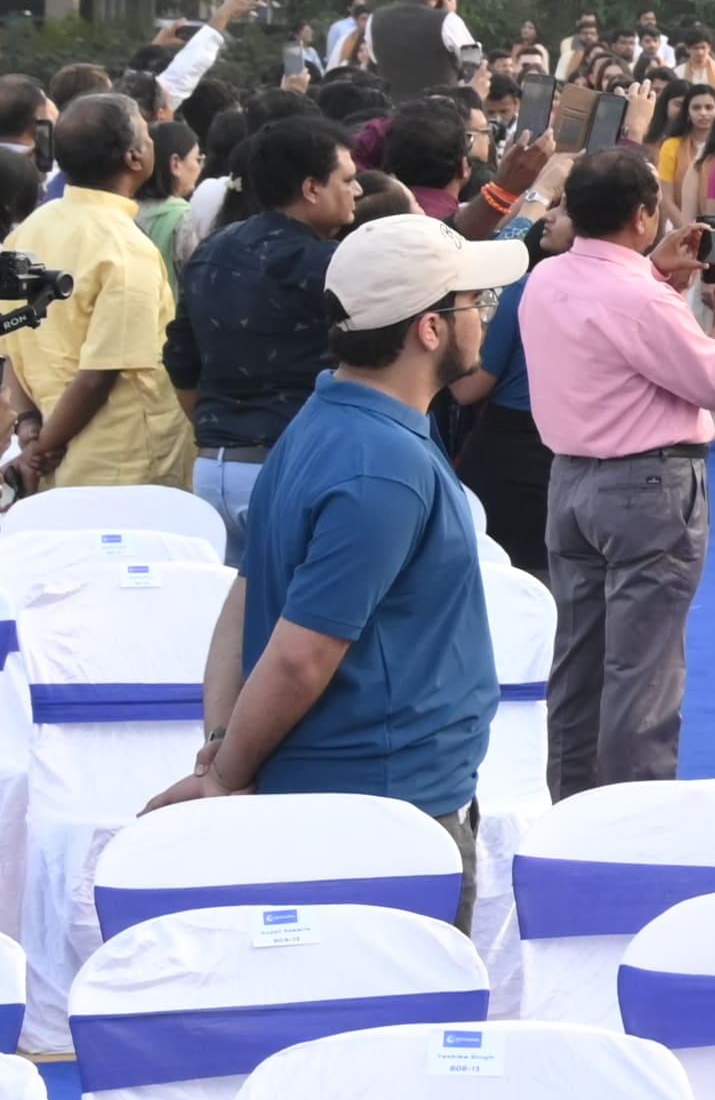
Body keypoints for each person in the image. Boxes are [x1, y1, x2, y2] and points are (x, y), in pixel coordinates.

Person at [162, 212, 526, 852]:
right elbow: (301, 655)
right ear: (430, 328)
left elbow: (246, 595)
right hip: (382, 815)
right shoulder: (383, 465)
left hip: (361, 798)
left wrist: (223, 749)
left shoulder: (324, 415)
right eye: (478, 301)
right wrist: (224, 772)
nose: (487, 315)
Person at [520, 147, 715, 793]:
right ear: (643, 215)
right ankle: (630, 830)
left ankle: (571, 814)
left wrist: (657, 275)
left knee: (578, 668)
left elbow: (615, 335)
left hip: (571, 482)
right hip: (647, 488)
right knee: (643, 675)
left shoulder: (546, 277)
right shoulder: (637, 298)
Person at [178, 114, 362, 521]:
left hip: (212, 468)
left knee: (236, 586)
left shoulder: (210, 251)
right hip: (290, 467)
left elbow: (181, 361)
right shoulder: (327, 266)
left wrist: (222, 426)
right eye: (347, 180)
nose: (358, 190)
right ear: (312, 188)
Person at [2, 93, 186, 496]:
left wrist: (30, 426)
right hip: (121, 461)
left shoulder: (27, 233)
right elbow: (97, 378)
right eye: (145, 131)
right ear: (134, 158)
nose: (154, 139)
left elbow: (13, 340)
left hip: (51, 451)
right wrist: (42, 445)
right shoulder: (124, 249)